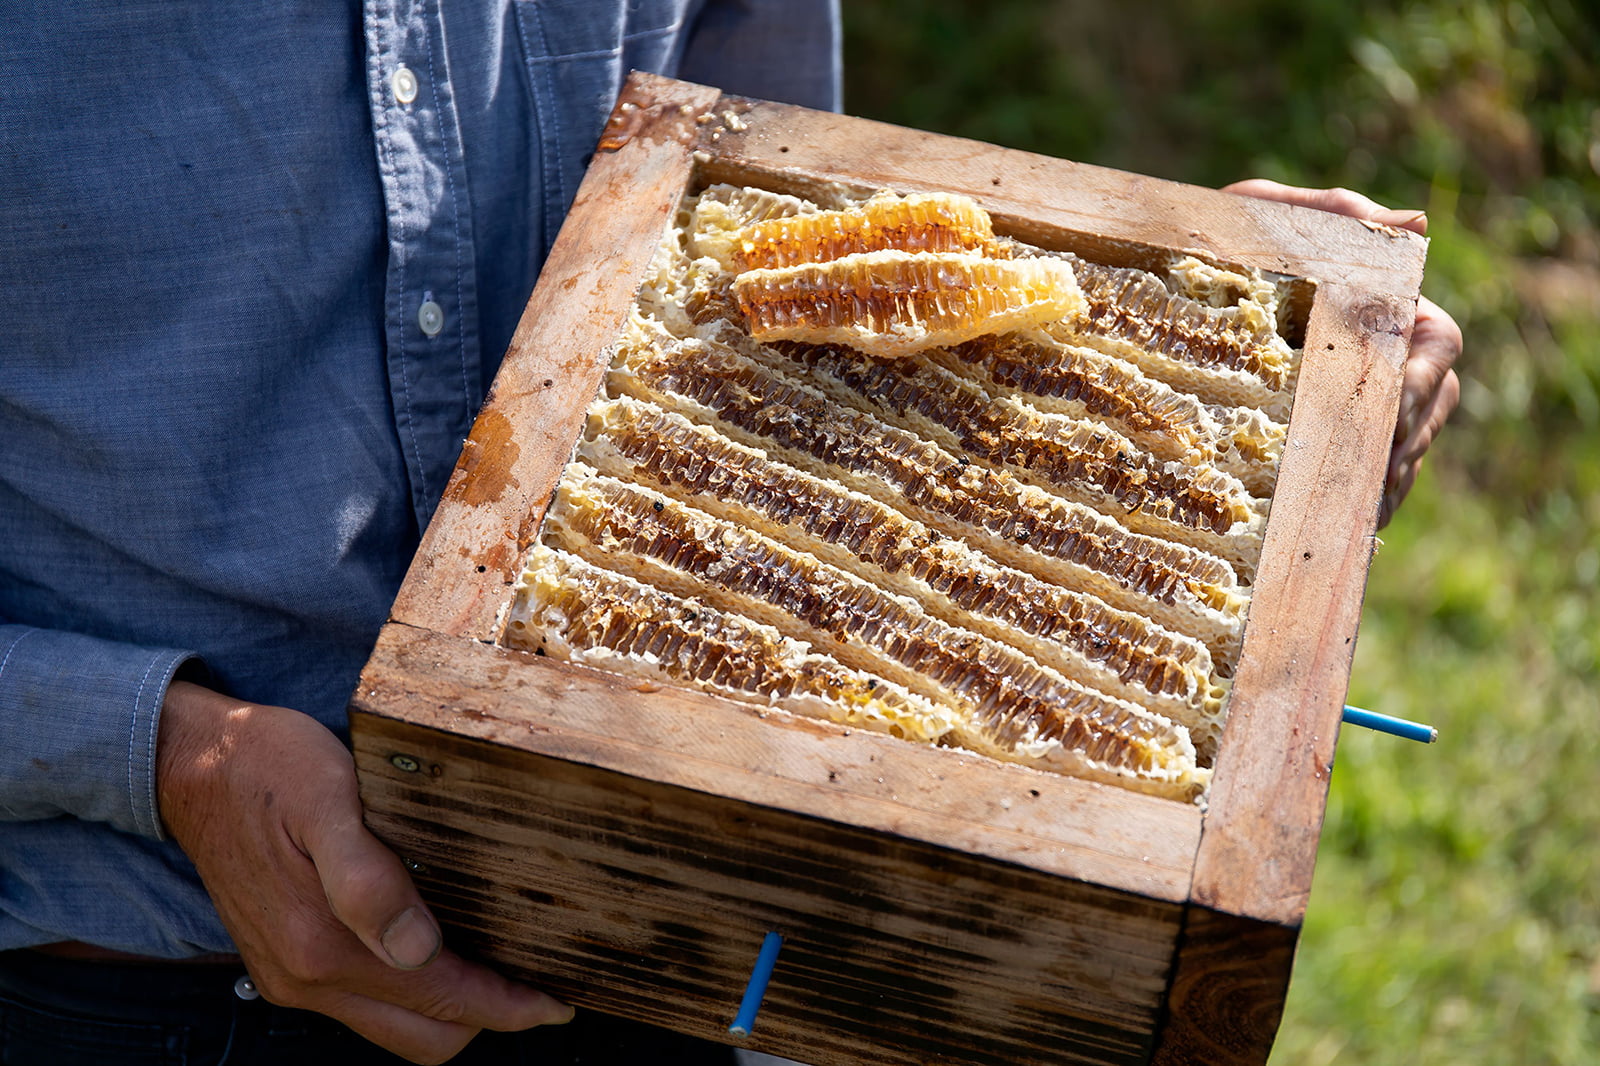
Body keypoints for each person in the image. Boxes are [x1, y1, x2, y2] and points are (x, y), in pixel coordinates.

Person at [0, 3, 1459, 1064]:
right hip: (147, 981)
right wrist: (161, 753)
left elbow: (770, 199)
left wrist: (1192, 355)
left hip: (679, 933)